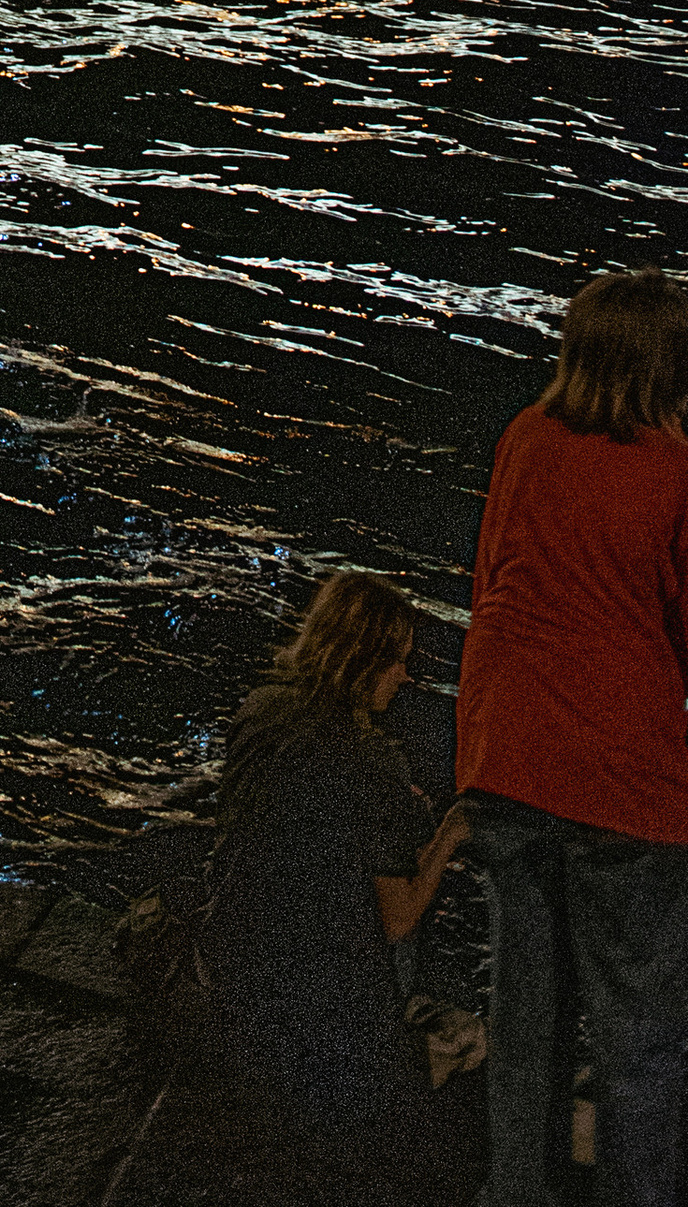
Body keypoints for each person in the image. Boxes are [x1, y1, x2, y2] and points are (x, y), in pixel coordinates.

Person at [456, 267, 688, 1207]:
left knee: (529, 1015)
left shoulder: (524, 437)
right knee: (640, 1033)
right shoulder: (675, 475)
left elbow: (492, 580)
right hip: (623, 780)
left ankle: (515, 1195)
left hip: (504, 752)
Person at [198, 571, 476, 1203]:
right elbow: (399, 916)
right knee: (409, 900)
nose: (405, 677)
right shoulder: (368, 761)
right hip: (312, 1010)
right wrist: (449, 834)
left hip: (231, 963)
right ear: (363, 661)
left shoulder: (261, 710)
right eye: (398, 663)